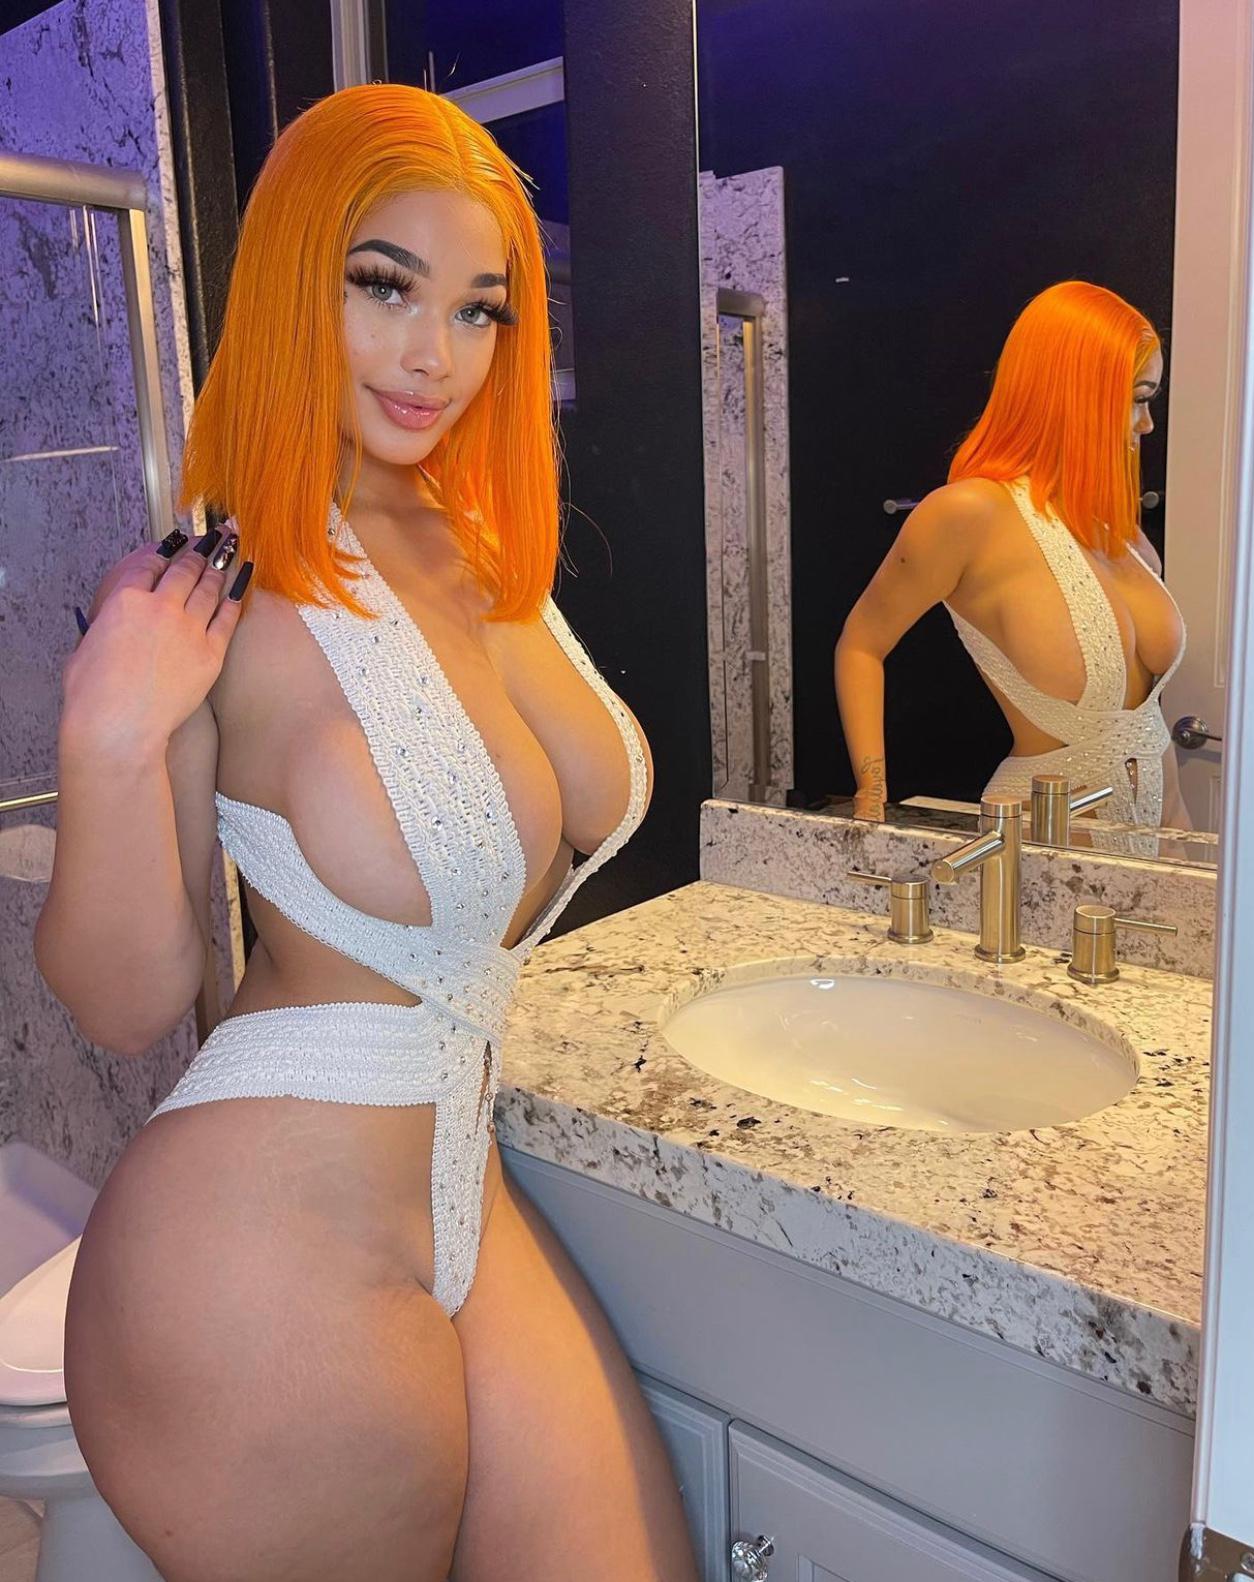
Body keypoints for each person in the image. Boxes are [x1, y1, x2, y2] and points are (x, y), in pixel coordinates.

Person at [35, 84, 699, 1581]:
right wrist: (109, 734)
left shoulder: (475, 540)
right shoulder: (208, 581)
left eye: (478, 310)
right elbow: (124, 1000)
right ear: (293, 280)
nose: (431, 355)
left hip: (460, 1171)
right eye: (384, 285)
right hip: (257, 1252)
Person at [834, 280, 1191, 839]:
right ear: (1078, 391)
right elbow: (861, 644)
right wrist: (871, 802)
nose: (1147, 423)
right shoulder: (969, 514)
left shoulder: (1122, 536)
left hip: (1169, 840)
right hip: (1041, 850)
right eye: (1140, 398)